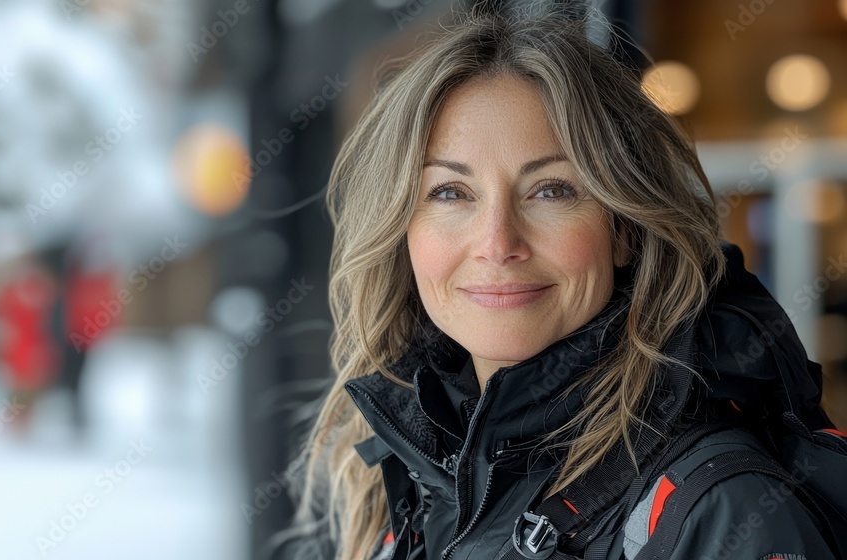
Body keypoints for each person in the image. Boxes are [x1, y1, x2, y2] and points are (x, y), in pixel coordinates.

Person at [285, 6, 844, 560]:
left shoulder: (721, 510)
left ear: (623, 228)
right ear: (401, 230)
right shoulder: (416, 487)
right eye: (451, 193)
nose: (498, 242)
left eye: (551, 190)